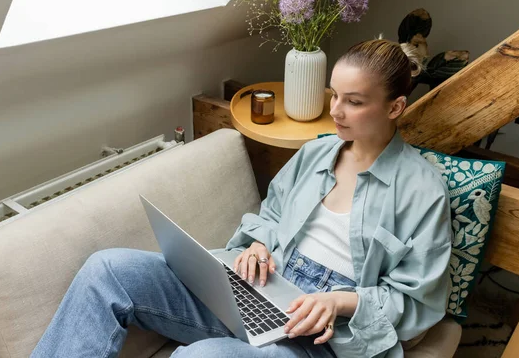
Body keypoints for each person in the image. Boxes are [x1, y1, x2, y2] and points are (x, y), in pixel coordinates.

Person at [31, 38, 452, 358]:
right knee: (108, 269)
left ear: (395, 108)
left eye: (354, 102)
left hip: (321, 336)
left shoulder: (423, 191)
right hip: (259, 288)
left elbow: (417, 302)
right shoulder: (315, 152)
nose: (337, 110)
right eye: (335, 95)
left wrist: (339, 302)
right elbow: (271, 214)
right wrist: (258, 245)